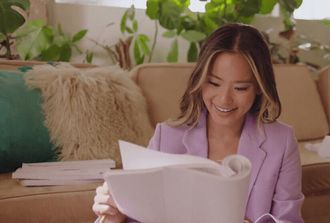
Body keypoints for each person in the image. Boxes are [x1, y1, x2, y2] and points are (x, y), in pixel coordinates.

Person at [92, 23, 304, 223]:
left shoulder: (281, 142)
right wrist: (115, 217)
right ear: (200, 79)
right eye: (213, 83)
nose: (224, 99)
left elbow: (288, 219)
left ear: (259, 87)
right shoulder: (166, 136)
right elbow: (138, 216)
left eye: (240, 88)